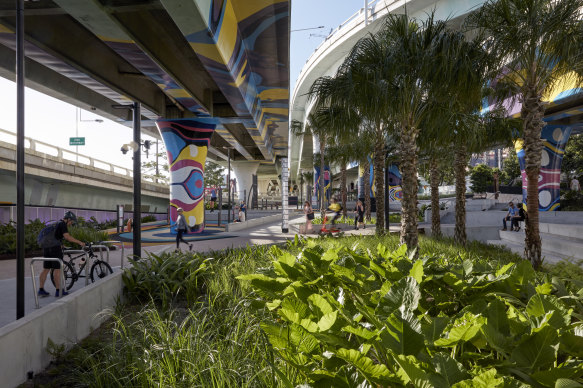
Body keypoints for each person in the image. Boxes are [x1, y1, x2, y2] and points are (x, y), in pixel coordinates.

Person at [38, 211, 86, 297]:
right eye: (71, 222)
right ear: (68, 219)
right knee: (58, 269)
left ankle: (41, 290)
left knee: (45, 269)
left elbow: (54, 237)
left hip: (46, 248)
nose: (71, 224)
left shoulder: (55, 224)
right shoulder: (63, 224)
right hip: (55, 249)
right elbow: (67, 237)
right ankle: (58, 291)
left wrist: (61, 245)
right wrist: (80, 242)